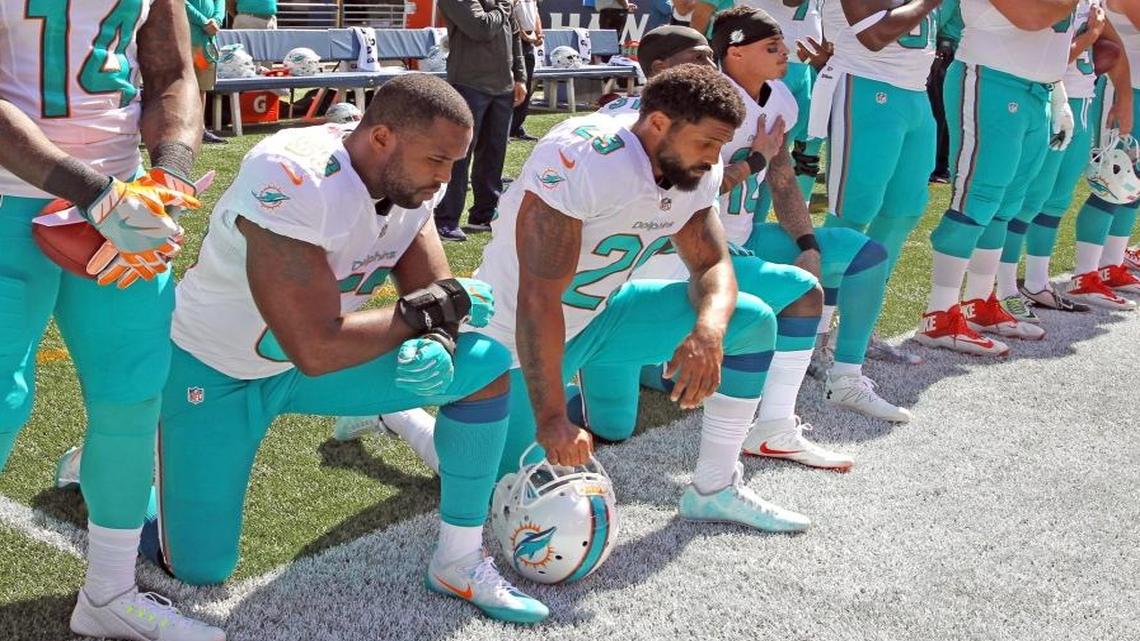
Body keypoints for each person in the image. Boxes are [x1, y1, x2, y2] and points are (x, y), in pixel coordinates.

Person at [55, 75, 549, 625]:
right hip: (218, 370)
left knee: (482, 363)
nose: (445, 178)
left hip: (314, 364)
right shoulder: (291, 174)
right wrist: (427, 314)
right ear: (381, 137)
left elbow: (431, 295)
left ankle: (458, 559)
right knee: (199, 566)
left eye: (455, 163)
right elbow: (314, 344)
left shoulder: (409, 182)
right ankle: (103, 470)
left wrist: (436, 338)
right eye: (438, 160)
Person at [481, 63, 814, 532]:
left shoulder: (700, 162)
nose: (715, 157)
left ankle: (714, 490)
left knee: (751, 321)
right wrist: (554, 417)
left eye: (720, 145)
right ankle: (403, 419)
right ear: (657, 123)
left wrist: (708, 331)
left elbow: (712, 264)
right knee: (498, 482)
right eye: (707, 143)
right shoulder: (586, 157)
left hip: (600, 313)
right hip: (513, 335)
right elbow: (537, 298)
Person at [0, 0, 221, 638]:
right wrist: (90, 191)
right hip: (11, 197)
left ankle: (107, 593)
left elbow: (173, 73)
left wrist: (170, 175)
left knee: (133, 396)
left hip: (124, 201)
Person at [917, 0, 1079, 356]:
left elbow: (1055, 34)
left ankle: (978, 302)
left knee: (1006, 203)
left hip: (1038, 89)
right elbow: (1032, 16)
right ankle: (938, 314)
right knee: (977, 196)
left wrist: (1059, 94)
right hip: (991, 79)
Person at [811, 0, 941, 366]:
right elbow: (874, 34)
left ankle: (858, 331)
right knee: (850, 216)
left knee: (902, 214)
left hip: (915, 93)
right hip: (865, 84)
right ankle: (813, 335)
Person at [1002, 0, 1134, 314]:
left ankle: (1037, 282)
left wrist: (1124, 96)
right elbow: (1043, 58)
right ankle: (1004, 287)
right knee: (1027, 198)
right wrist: (1089, 39)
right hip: (1050, 101)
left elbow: (1115, 46)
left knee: (1057, 198)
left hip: (1082, 100)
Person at [434, 0, 529, 241]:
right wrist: (504, 6)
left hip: (503, 86)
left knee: (494, 153)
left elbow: (515, 35)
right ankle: (445, 220)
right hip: (469, 83)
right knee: (459, 155)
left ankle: (484, 215)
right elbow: (480, 27)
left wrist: (520, 76)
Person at [1066, 0, 1140, 307]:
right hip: (1122, 88)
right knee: (1111, 180)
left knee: (1134, 183)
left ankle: (1111, 264)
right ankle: (1085, 274)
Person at [929, 0, 963, 183]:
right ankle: (940, 166)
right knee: (943, 111)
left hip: (947, 52)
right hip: (952, 52)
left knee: (939, 111)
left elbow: (935, 19)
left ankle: (938, 167)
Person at [187, 0, 228, 144]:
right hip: (184, 43)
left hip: (205, 46)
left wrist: (216, 20)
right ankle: (178, 130)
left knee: (201, 87)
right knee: (180, 87)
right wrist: (204, 22)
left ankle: (200, 130)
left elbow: (220, 2)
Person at [511, 0, 544, 141]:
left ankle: (517, 127)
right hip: (511, 39)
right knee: (510, 88)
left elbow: (535, 13)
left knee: (526, 85)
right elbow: (509, 13)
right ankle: (504, 129)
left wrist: (539, 34)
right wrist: (524, 34)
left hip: (528, 44)